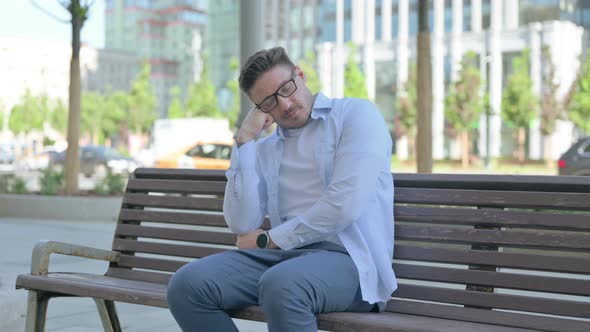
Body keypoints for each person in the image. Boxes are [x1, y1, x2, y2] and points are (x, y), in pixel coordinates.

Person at [167, 46, 397, 332]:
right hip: (282, 261)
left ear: (299, 74)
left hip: (351, 263)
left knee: (283, 285)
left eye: (286, 88)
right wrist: (245, 141)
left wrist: (270, 240)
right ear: (258, 109)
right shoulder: (266, 148)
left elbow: (344, 205)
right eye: (269, 102)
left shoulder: (356, 115)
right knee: (187, 285)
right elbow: (241, 223)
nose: (285, 105)